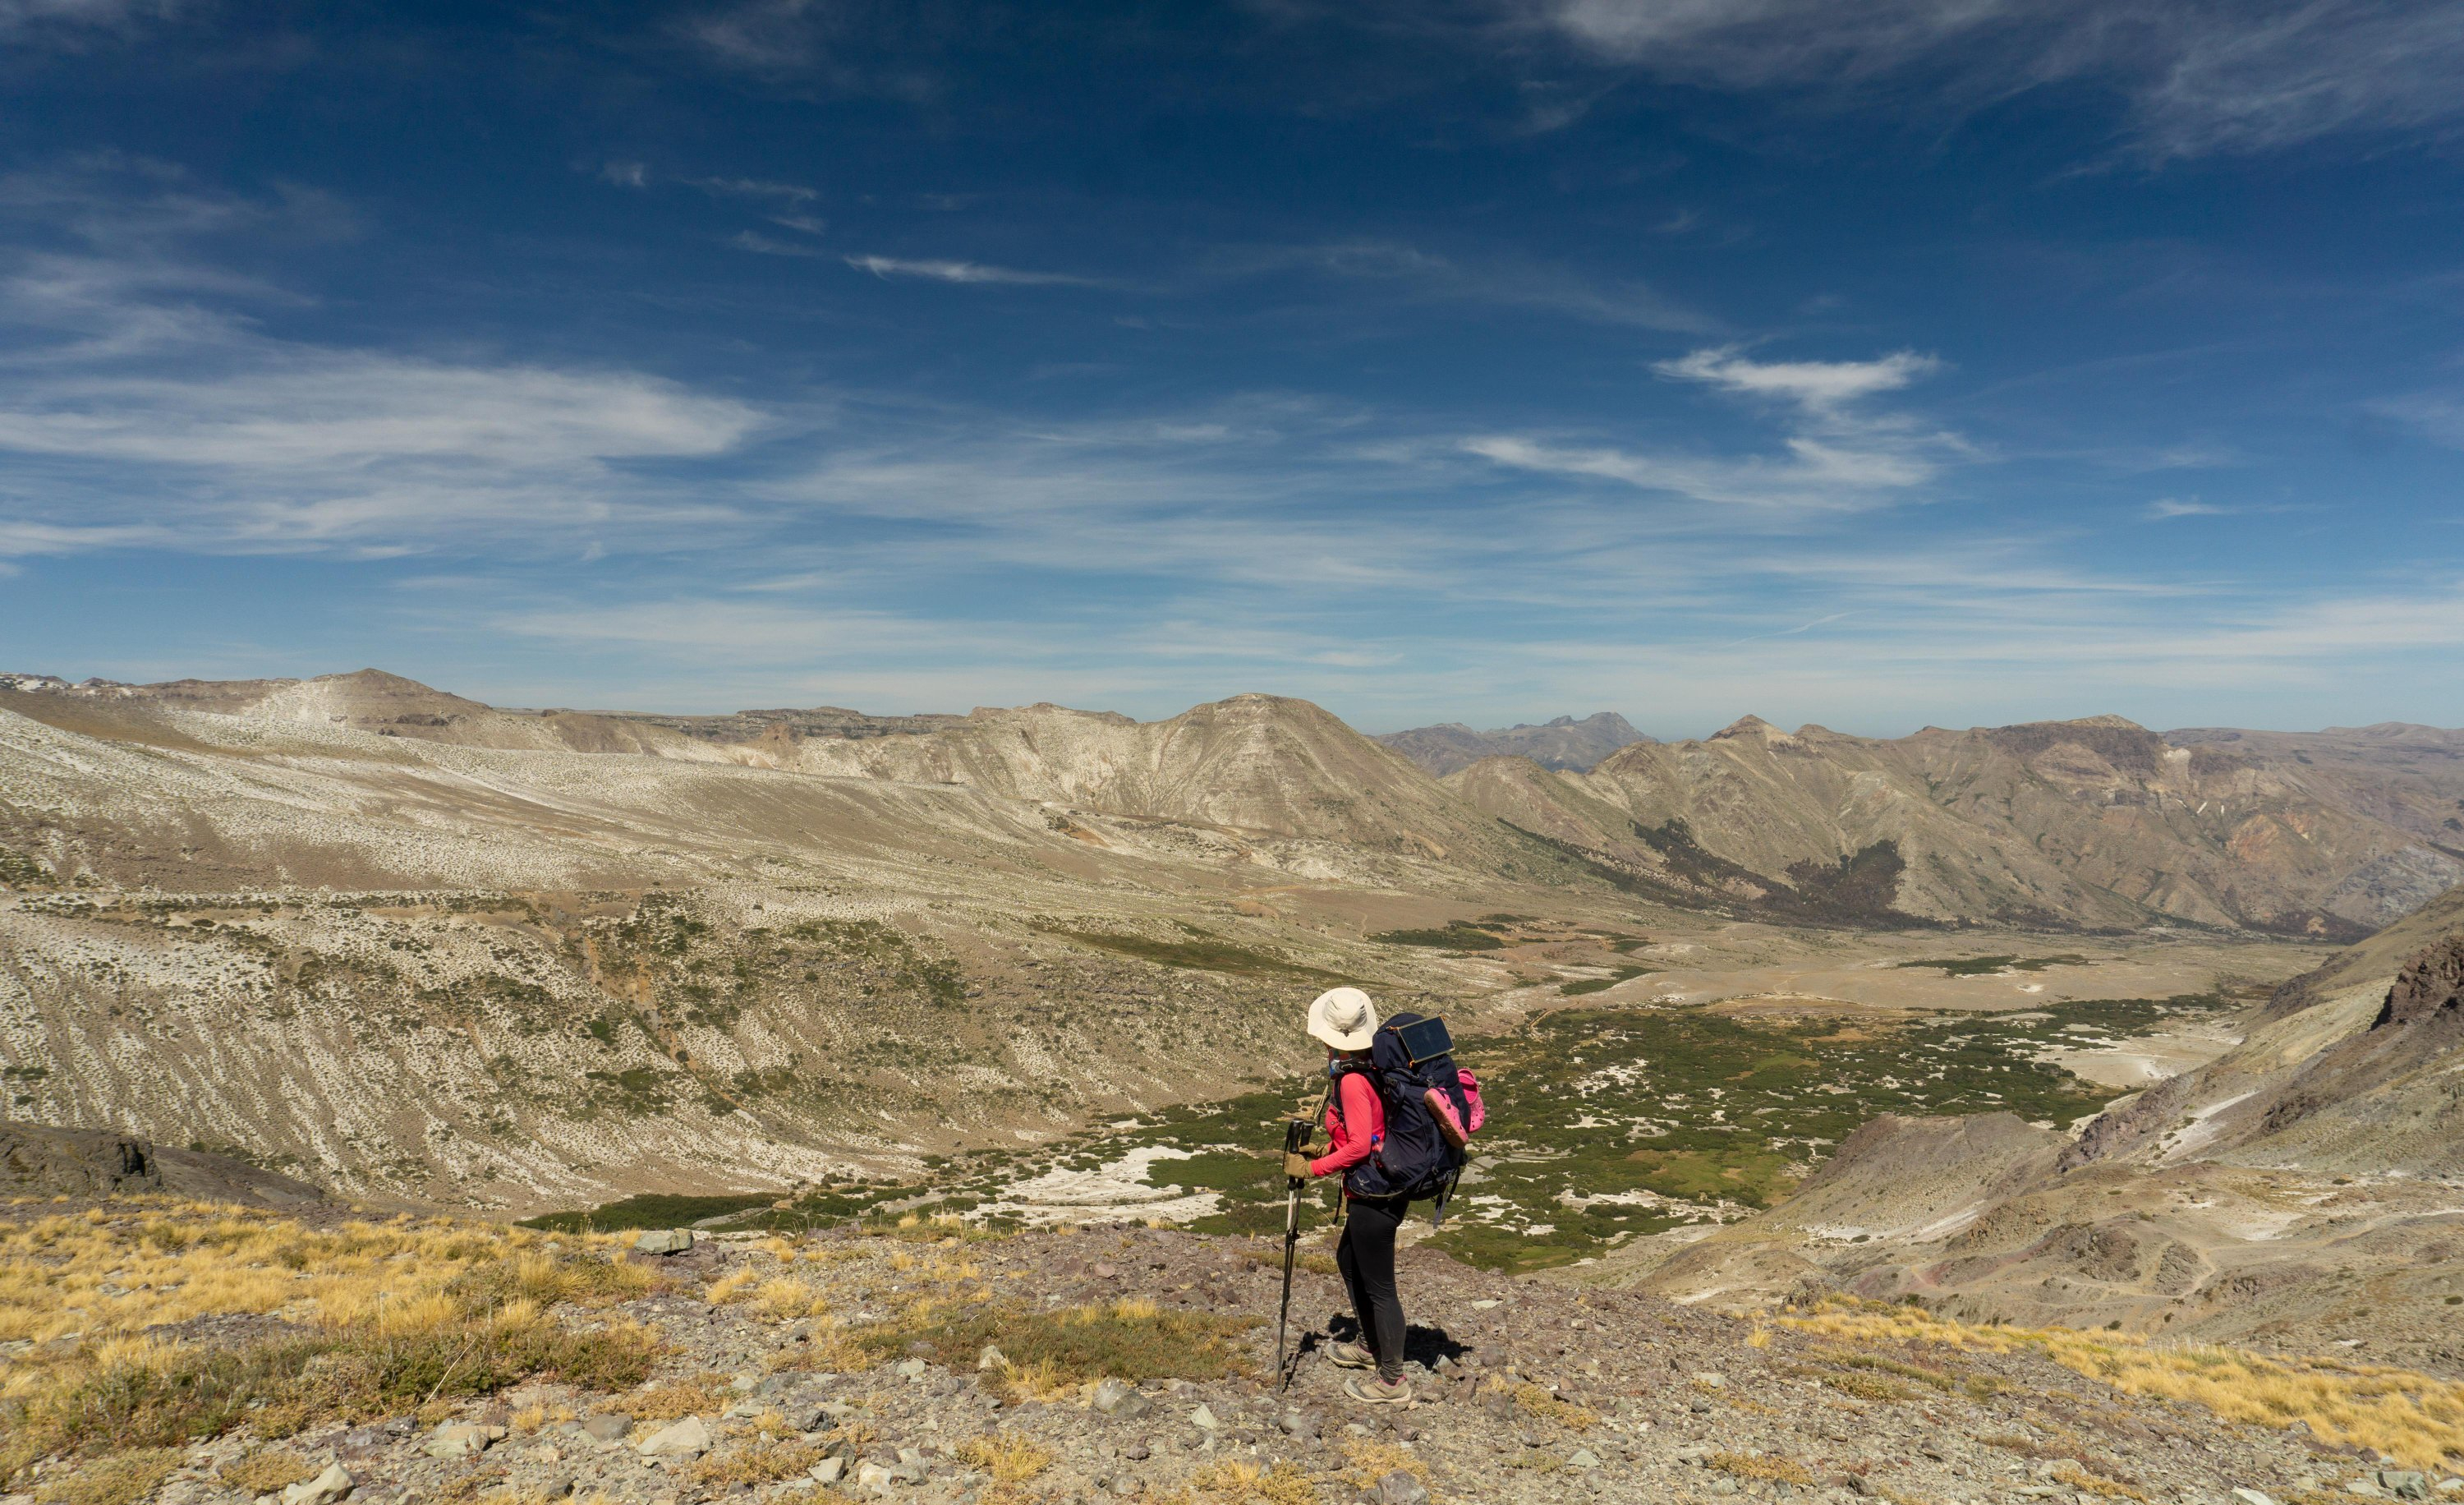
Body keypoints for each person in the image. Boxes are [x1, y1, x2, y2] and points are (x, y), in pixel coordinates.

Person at [1283, 985, 1414, 1405]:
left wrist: (1313, 1169)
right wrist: (1325, 1150)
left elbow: (1359, 1147)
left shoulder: (1354, 1080)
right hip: (1378, 1184)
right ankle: (1370, 1346)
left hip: (1375, 1193)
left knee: (1380, 1286)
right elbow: (1370, 1134)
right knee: (1348, 1260)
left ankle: (1392, 1380)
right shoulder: (1370, 1066)